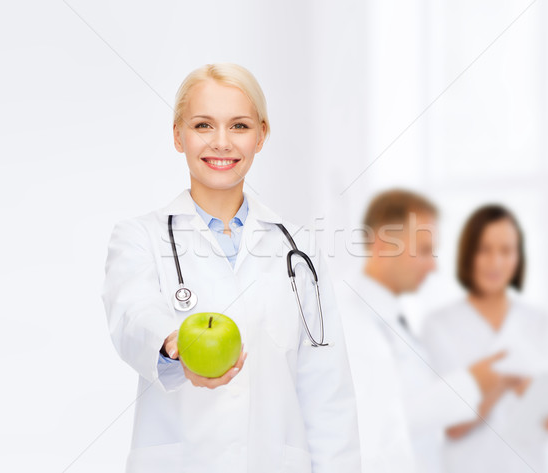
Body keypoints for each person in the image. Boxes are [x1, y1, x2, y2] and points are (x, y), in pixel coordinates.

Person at [101, 63, 361, 473]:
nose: (221, 142)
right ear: (177, 136)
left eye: (239, 126)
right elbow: (132, 315)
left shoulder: (300, 249)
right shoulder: (139, 237)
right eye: (203, 125)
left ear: (261, 135)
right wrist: (173, 344)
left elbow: (326, 391)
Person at [336, 189, 513, 473]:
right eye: (424, 250)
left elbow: (419, 415)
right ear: (384, 245)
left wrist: (482, 394)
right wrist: (470, 383)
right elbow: (378, 421)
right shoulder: (349, 319)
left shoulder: (399, 319)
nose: (433, 266)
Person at [421, 204, 548, 473]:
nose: (496, 262)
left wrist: (539, 401)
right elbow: (451, 427)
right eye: (484, 250)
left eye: (506, 251)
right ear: (468, 255)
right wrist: (502, 383)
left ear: (519, 257)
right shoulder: (439, 326)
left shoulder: (545, 325)